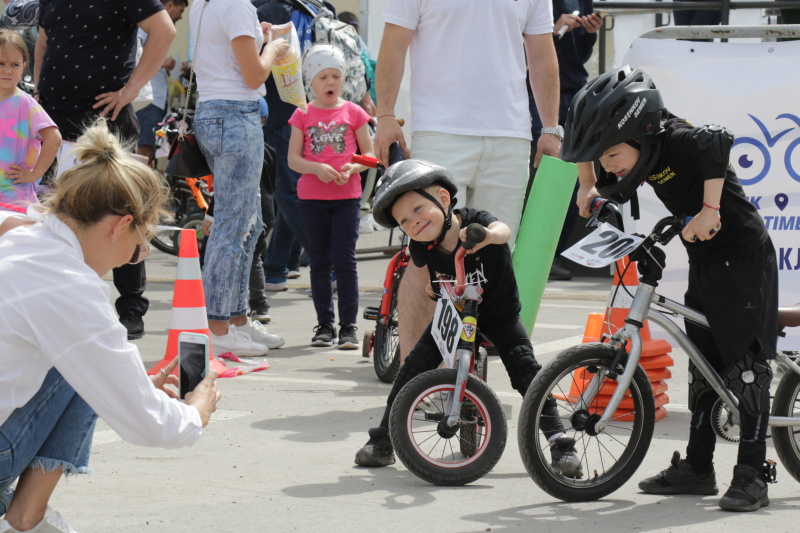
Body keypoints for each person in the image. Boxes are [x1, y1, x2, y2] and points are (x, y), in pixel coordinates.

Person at [563, 66, 778, 512]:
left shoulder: (676, 138)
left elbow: (718, 139)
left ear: (641, 133)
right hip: (705, 259)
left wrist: (710, 209)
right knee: (703, 364)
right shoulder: (633, 148)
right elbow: (581, 144)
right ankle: (698, 468)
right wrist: (587, 184)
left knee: (744, 363)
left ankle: (753, 473)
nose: (608, 166)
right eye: (602, 158)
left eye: (613, 155)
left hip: (742, 256)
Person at [0, 119, 221, 533]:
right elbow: (151, 425)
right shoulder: (70, 287)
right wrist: (197, 413)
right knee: (89, 364)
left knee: (89, 364)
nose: (129, 259)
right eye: (139, 248)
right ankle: (26, 516)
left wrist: (130, 381)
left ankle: (27, 512)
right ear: (120, 225)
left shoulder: (19, 237)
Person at [353, 159, 581, 474]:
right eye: (404, 221)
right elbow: (429, 280)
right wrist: (434, 298)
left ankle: (559, 443)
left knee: (524, 368)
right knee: (413, 368)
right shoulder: (424, 247)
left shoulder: (475, 222)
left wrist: (486, 236)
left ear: (443, 200)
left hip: (498, 313)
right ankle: (383, 441)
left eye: (418, 209)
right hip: (457, 313)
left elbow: (503, 231)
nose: (413, 222)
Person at [372, 0, 562, 364]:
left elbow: (541, 53)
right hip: (440, 130)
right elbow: (394, 44)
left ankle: (466, 378)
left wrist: (550, 127)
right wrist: (384, 115)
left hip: (510, 134)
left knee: (491, 255)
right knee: (426, 255)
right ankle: (414, 377)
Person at [35, 0, 177, 341]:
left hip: (105, 119)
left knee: (122, 212)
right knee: (55, 214)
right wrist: (38, 93)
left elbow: (164, 30)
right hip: (55, 121)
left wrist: (129, 91)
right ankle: (65, 305)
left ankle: (130, 308)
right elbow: (43, 41)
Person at [190, 0, 288, 357]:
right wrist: (273, 48)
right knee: (235, 226)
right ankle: (219, 326)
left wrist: (259, 41)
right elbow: (254, 75)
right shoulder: (235, 4)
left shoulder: (205, 5)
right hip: (235, 115)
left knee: (248, 222)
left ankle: (236, 319)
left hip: (215, 113)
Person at [287, 45, 373, 349]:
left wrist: (353, 166)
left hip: (347, 198)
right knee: (320, 261)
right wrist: (317, 168)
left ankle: (348, 327)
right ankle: (325, 325)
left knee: (345, 260)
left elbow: (371, 156)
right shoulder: (302, 114)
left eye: (336, 76)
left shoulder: (354, 112)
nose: (330, 82)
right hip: (312, 199)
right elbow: (293, 161)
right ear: (310, 81)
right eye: (323, 77)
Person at [526, 0, 603, 281]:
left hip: (572, 87)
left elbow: (578, 54)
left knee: (570, 173)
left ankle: (549, 254)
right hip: (532, 90)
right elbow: (512, 48)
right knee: (541, 169)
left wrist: (589, 33)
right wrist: (552, 30)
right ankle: (524, 253)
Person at [0, 29, 59, 212]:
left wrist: (35, 174)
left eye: (15, 64)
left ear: (24, 65)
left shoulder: (26, 103)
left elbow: (54, 138)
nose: (7, 70)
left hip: (15, 194)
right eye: (0, 63)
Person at [135, 0, 187, 167]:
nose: (180, 16)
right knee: (145, 151)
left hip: (155, 101)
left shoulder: (157, 26)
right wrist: (164, 62)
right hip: (148, 100)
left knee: (150, 151)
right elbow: (135, 51)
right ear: (170, 5)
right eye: (181, 10)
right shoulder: (147, 22)